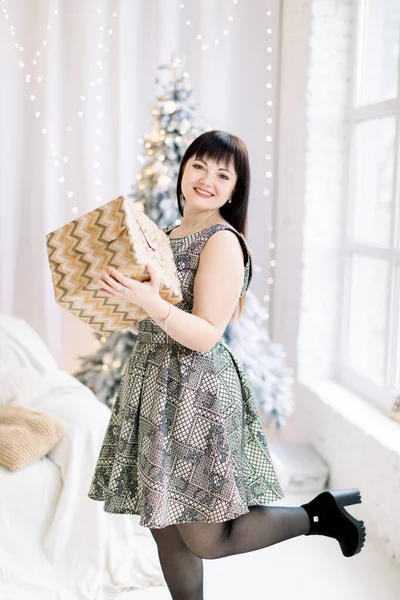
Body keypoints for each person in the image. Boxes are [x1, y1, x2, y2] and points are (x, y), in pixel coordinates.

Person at [88, 130, 366, 599]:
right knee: (164, 522)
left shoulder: (222, 242)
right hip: (154, 384)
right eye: (199, 166)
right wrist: (122, 294)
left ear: (234, 190)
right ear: (182, 171)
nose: (207, 180)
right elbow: (159, 310)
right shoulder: (167, 234)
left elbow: (206, 333)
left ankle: (317, 515)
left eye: (223, 174)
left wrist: (150, 302)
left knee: (206, 538)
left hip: (195, 393)